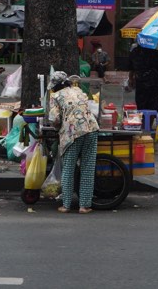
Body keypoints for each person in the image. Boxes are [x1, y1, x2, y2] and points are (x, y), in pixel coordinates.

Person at [47, 70, 99, 214]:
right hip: (91, 128)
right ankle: (84, 206)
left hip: (72, 133)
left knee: (68, 169)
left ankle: (66, 205)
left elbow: (54, 119)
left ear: (55, 86)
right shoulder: (78, 90)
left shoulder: (55, 96)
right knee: (87, 168)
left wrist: (57, 127)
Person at [127, 43, 158, 111]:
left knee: (143, 104)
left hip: (145, 82)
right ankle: (149, 117)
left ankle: (144, 117)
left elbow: (131, 68)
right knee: (153, 105)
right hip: (154, 82)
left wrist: (131, 79)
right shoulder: (155, 52)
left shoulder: (135, 52)